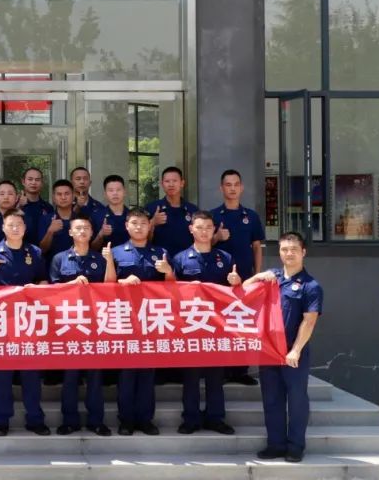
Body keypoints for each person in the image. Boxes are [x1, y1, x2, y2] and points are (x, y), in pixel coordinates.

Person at [245, 231, 323, 463]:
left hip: (292, 352)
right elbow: (244, 290)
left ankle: (295, 446)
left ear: (303, 252)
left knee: (297, 399)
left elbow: (309, 322)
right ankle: (275, 445)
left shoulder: (311, 286)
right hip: (269, 350)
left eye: (294, 249)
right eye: (284, 249)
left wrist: (296, 350)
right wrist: (260, 276)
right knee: (271, 399)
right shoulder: (273, 278)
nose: (289, 254)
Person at [0, 209, 50, 437]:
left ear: (25, 228)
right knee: (2, 374)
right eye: (11, 225)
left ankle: (35, 419)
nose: (15, 228)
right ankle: (0, 420)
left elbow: (44, 280)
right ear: (3, 228)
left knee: (31, 374)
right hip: (2, 320)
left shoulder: (35, 252)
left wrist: (39, 288)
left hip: (29, 319)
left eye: (19, 224)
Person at [171, 211, 241, 435]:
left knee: (215, 376)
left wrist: (236, 282)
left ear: (214, 230)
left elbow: (237, 294)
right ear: (191, 229)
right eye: (199, 227)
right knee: (191, 376)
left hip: (217, 325)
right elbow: (170, 292)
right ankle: (190, 418)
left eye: (208, 228)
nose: (204, 232)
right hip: (191, 325)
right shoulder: (180, 259)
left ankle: (215, 418)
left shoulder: (225, 258)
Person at [48, 211, 115, 436]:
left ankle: (96, 420)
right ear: (70, 232)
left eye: (86, 228)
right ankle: (70, 420)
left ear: (92, 232)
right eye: (78, 228)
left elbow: (110, 287)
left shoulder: (99, 258)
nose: (82, 231)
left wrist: (109, 261)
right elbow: (51, 291)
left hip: (95, 324)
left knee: (95, 376)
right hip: (69, 325)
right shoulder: (59, 259)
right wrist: (72, 284)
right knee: (71, 376)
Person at [111, 206, 174, 435]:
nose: (139, 227)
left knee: (148, 372)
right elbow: (104, 286)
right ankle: (126, 420)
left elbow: (173, 287)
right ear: (126, 226)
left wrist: (168, 271)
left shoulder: (161, 252)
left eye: (143, 223)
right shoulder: (115, 253)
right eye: (134, 223)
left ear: (150, 226)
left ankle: (146, 419)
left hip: (152, 319)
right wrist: (122, 282)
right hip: (124, 319)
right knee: (127, 373)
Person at [211, 168, 266, 387]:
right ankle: (222, 370)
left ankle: (240, 370)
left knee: (242, 323)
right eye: (228, 185)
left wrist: (257, 274)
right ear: (221, 188)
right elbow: (204, 242)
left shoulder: (250, 216)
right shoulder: (214, 215)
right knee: (220, 323)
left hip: (245, 279)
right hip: (219, 278)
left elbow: (257, 247)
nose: (232, 189)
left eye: (236, 184)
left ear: (241, 188)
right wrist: (217, 236)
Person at [145, 166, 199, 259]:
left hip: (187, 261)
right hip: (160, 260)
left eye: (174, 181)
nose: (171, 184)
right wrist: (152, 223)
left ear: (182, 183)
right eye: (167, 181)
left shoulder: (193, 210)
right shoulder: (152, 208)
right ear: (162, 184)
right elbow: (142, 239)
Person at [90, 175, 132, 251]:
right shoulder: (96, 216)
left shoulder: (133, 216)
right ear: (105, 194)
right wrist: (101, 235)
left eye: (118, 190)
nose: (115, 193)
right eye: (111, 190)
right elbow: (91, 248)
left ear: (124, 192)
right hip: (104, 257)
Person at [39, 179, 76, 264]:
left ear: (73, 196)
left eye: (67, 194)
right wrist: (50, 231)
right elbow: (42, 249)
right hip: (53, 267)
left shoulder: (80, 219)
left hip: (77, 267)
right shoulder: (45, 219)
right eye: (59, 194)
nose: (63, 197)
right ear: (53, 197)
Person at [19, 167, 54, 245]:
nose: (33, 182)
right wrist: (19, 207)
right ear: (23, 182)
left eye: (37, 180)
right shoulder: (16, 204)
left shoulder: (48, 207)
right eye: (30, 179)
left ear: (42, 183)